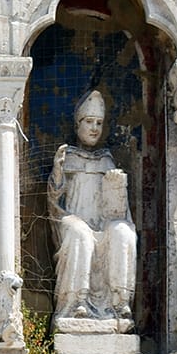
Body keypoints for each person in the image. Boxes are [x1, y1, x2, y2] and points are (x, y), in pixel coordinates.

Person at [47, 90, 136, 320]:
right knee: (80, 234)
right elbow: (55, 199)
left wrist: (117, 186)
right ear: (78, 125)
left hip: (103, 224)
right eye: (89, 122)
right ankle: (78, 301)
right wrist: (58, 172)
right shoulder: (68, 157)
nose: (94, 128)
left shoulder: (106, 160)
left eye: (99, 122)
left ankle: (119, 303)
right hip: (74, 221)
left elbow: (118, 208)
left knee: (122, 232)